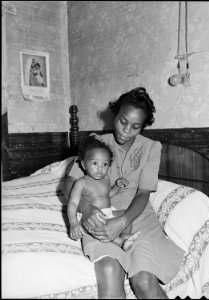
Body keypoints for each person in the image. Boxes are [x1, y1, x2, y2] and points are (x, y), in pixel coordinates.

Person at [63, 87, 185, 299]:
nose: (126, 130)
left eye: (135, 126)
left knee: (144, 281)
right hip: (100, 216)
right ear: (115, 114)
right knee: (110, 271)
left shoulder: (151, 148)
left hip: (137, 217)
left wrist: (123, 221)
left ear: (143, 127)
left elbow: (143, 193)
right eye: (122, 121)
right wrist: (87, 208)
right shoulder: (96, 142)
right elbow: (68, 183)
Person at [67, 134, 141, 251]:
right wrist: (73, 223)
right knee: (100, 225)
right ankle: (120, 242)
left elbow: (108, 195)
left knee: (127, 215)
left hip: (108, 212)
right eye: (95, 163)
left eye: (105, 164)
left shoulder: (105, 178)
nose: (100, 168)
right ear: (83, 164)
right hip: (91, 219)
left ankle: (125, 235)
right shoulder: (81, 183)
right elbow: (73, 203)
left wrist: (117, 186)